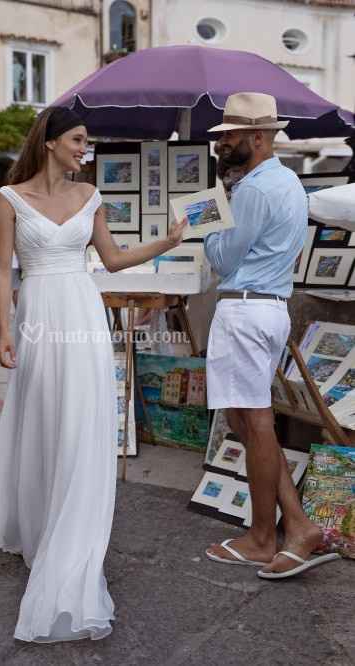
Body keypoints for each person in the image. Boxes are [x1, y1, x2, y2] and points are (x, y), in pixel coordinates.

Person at [0, 106, 186, 642]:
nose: (84, 149)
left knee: (83, 422)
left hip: (84, 317)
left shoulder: (90, 195)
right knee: (44, 418)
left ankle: (74, 536)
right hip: (38, 318)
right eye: (77, 139)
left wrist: (166, 242)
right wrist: (2, 331)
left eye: (86, 142)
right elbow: (1, 270)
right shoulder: (9, 198)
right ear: (49, 142)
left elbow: (112, 260)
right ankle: (41, 520)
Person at [203, 93, 339, 579]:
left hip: (247, 309)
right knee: (248, 419)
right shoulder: (284, 182)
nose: (221, 144)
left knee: (254, 422)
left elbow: (223, 259)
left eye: (230, 136)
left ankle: (263, 538)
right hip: (265, 308)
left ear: (257, 137)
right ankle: (297, 525)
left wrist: (208, 223)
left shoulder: (255, 189)